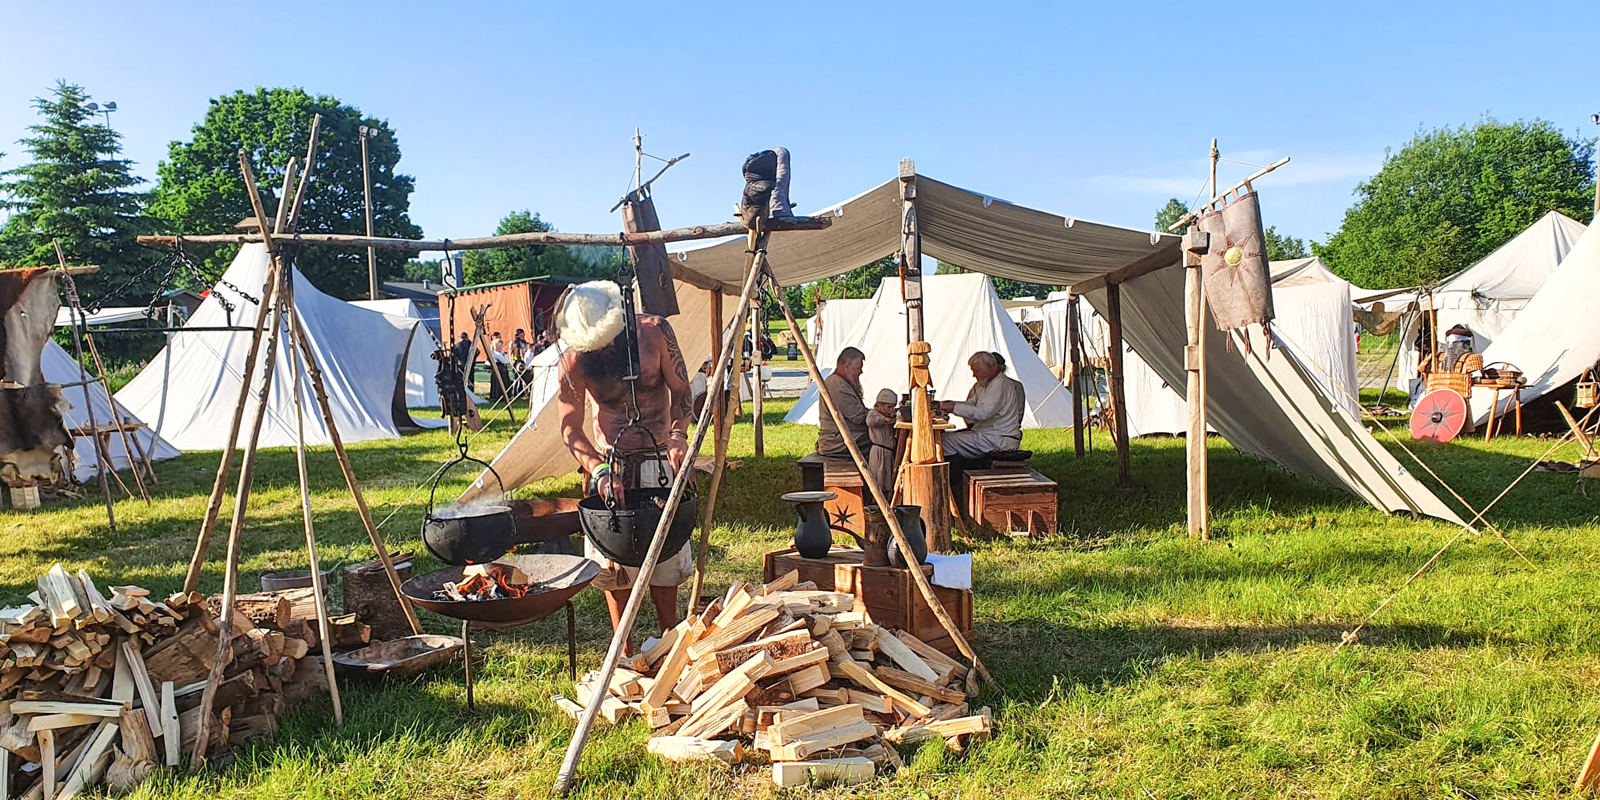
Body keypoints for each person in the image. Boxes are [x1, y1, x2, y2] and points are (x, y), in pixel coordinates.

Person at [554, 280, 692, 642]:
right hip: (609, 465)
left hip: (660, 458)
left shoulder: (655, 332)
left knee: (666, 557)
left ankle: (668, 640)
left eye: (609, 338)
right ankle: (624, 650)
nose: (605, 348)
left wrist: (678, 435)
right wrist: (597, 469)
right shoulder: (573, 360)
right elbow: (569, 426)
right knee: (614, 565)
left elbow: (681, 391)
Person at [939, 351, 1025, 458]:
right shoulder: (986, 384)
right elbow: (971, 404)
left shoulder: (1000, 384)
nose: (974, 374)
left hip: (997, 439)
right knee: (943, 438)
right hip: (990, 437)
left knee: (943, 442)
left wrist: (952, 407)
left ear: (989, 367)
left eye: (976, 370)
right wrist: (947, 405)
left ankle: (951, 474)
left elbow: (983, 413)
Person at [816, 347, 869, 457]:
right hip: (837, 442)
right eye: (859, 368)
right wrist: (881, 415)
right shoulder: (837, 385)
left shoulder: (841, 383)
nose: (861, 372)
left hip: (845, 437)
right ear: (847, 367)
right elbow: (859, 416)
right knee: (883, 443)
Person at [866, 388, 899, 491]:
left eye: (892, 407)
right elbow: (870, 421)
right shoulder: (873, 414)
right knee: (878, 478)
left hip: (887, 452)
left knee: (887, 479)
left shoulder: (888, 415)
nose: (891, 410)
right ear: (880, 405)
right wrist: (884, 419)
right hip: (879, 452)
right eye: (889, 407)